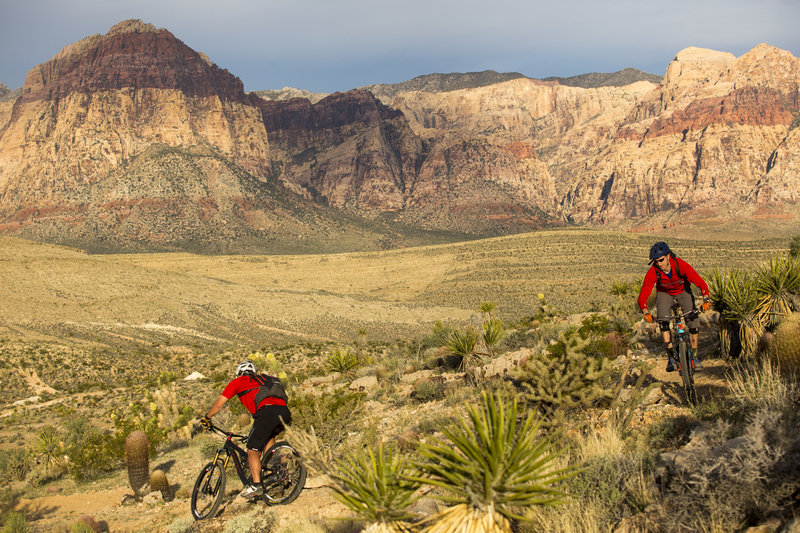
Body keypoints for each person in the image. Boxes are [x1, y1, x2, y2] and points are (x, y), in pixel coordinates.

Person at [200, 361, 291, 499]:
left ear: (238, 373)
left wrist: (207, 418)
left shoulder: (238, 382)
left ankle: (256, 485)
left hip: (266, 412)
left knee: (252, 449)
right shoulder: (265, 378)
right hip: (284, 412)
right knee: (268, 437)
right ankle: (274, 474)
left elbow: (219, 405)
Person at [637, 241, 711, 372]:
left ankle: (694, 357)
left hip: (683, 291)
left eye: (661, 260)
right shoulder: (653, 271)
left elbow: (699, 282)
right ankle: (671, 358)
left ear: (668, 256)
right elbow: (643, 294)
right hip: (664, 293)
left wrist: (706, 298)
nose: (658, 264)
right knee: (663, 321)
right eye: (655, 261)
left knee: (693, 322)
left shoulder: (681, 265)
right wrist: (645, 311)